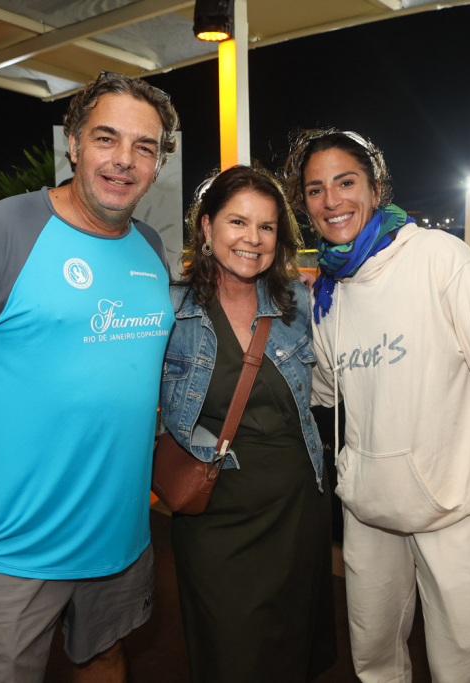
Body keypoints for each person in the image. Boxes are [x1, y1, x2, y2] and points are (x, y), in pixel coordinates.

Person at [0, 71, 179, 683]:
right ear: (72, 143)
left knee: (105, 656)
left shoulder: (150, 247)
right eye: (107, 138)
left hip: (120, 539)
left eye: (144, 147)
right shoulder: (0, 234)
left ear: (158, 163)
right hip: (13, 552)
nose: (124, 160)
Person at [282, 129, 470, 683]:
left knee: (463, 670)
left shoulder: (437, 257)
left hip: (456, 509)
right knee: (375, 661)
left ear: (376, 188)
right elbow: (329, 395)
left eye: (345, 182)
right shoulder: (329, 293)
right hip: (369, 512)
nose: (331, 200)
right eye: (315, 189)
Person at [160, 165, 335, 682]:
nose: (252, 240)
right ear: (207, 227)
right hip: (212, 513)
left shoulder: (298, 302)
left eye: (266, 227)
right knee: (229, 653)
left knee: (287, 651)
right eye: (238, 222)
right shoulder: (170, 306)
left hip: (297, 509)